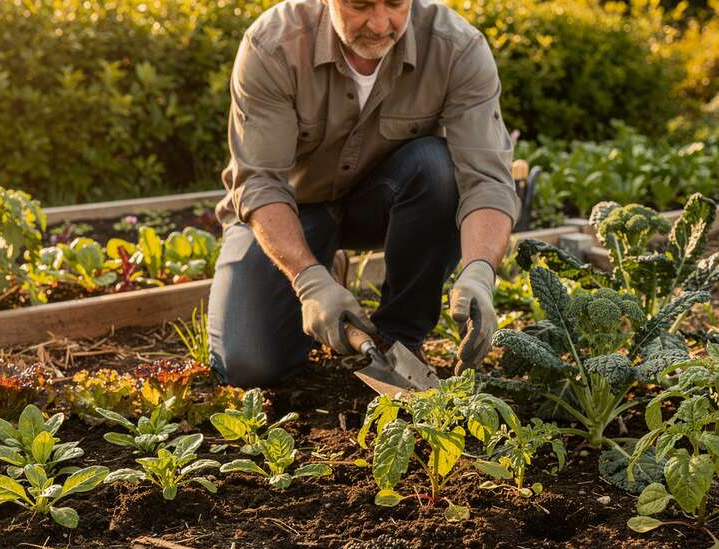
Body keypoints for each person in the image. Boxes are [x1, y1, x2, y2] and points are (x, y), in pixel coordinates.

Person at [208, 0, 519, 387]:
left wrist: (480, 270)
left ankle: (400, 337)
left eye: (395, 4)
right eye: (360, 5)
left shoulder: (456, 47)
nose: (379, 23)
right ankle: (322, 267)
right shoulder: (274, 44)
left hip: (381, 201)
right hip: (293, 211)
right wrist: (308, 280)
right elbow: (259, 183)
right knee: (251, 367)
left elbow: (486, 178)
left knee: (439, 169)